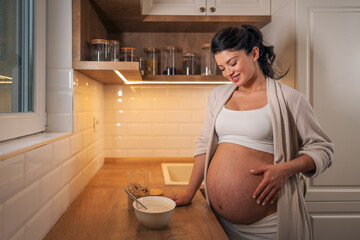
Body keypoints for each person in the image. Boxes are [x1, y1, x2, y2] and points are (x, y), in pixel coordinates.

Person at [170, 25, 334, 240]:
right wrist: (189, 192)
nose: (228, 73)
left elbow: (323, 149)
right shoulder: (218, 96)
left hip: (268, 227)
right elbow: (204, 144)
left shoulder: (290, 99)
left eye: (233, 62)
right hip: (219, 221)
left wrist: (285, 169)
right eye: (222, 68)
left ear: (255, 53)